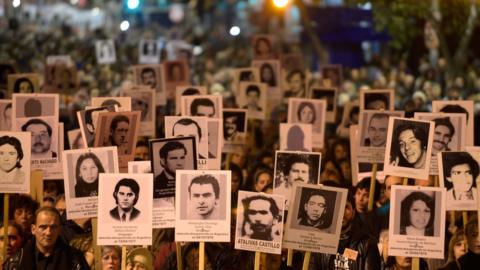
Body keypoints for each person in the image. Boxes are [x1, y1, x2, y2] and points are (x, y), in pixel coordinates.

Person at [310, 190, 381, 269]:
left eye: (346, 207)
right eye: (337, 207)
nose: (342, 213)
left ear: (353, 212)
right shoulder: (318, 242)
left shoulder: (368, 244)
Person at [3, 207, 90, 269]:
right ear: (33, 229)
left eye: (53, 227)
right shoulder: (16, 261)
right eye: (43, 227)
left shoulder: (75, 259)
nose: (48, 233)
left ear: (59, 229)